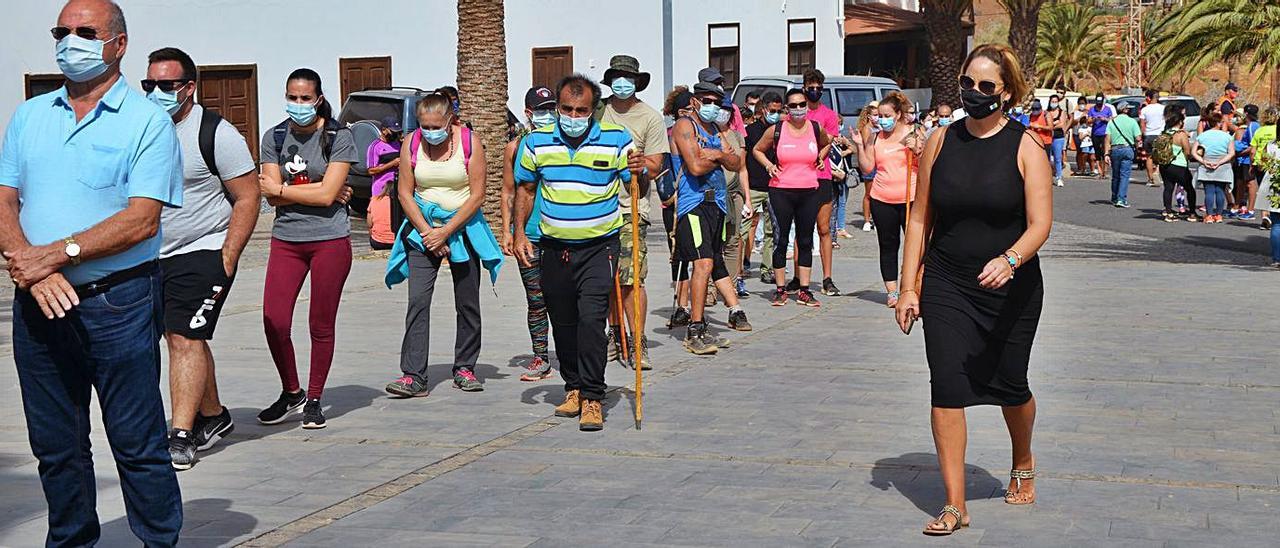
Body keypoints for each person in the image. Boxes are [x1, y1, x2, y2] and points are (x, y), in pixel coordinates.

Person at [0, 1, 183, 543]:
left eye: (85, 31)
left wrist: (54, 255)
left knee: (136, 442)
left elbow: (141, 220)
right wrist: (34, 270)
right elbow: (4, 200)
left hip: (117, 303)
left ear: (119, 45)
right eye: (62, 31)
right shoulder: (31, 114)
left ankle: (157, 539)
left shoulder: (148, 121)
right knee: (56, 446)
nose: (69, 41)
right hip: (38, 301)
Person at [896, 43, 1052, 536]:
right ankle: (955, 504)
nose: (975, 93)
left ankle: (1022, 457)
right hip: (947, 280)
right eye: (968, 83)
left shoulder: (1026, 147)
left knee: (1010, 384)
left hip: (1012, 286)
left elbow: (1040, 223)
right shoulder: (940, 141)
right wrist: (907, 287)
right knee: (946, 384)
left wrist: (1010, 259)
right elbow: (919, 217)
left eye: (987, 86)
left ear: (1005, 92)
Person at [145, 47, 259, 470]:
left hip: (203, 249)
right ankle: (213, 415)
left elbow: (248, 197)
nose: (156, 92)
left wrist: (228, 255)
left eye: (166, 85)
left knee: (183, 338)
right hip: (153, 256)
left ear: (188, 88)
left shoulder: (216, 133)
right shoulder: (142, 129)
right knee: (182, 336)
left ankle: (180, 434)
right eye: (149, 85)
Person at [513, 74, 643, 431]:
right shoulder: (536, 143)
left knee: (590, 320)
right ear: (557, 108)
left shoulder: (616, 140)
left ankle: (592, 396)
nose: (573, 116)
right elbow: (525, 189)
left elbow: (637, 183)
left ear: (593, 110)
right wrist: (519, 233)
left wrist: (639, 171)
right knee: (564, 321)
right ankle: (572, 387)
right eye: (566, 109)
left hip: (600, 245)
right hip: (554, 246)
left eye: (581, 110)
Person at [256, 68, 357, 429]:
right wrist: (312, 191)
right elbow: (268, 189)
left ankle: (314, 397)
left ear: (318, 98)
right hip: (287, 239)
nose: (297, 104)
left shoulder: (338, 136)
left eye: (304, 98)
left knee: (320, 323)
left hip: (329, 239)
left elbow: (330, 194)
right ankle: (291, 391)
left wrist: (283, 191)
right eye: (291, 97)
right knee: (274, 319)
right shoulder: (274, 136)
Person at [384, 92, 500, 397]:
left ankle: (465, 366)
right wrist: (428, 233)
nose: (430, 131)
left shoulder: (469, 142)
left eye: (436, 125)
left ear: (450, 120)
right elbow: (405, 193)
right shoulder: (411, 143)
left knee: (467, 301)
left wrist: (446, 231)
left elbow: (477, 194)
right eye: (424, 126)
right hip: (422, 229)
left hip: (462, 226)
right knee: (418, 301)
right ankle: (413, 375)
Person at [670, 79, 753, 355]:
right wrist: (719, 157)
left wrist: (715, 154)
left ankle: (704, 325)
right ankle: (695, 328)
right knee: (703, 263)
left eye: (717, 102)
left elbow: (736, 162)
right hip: (693, 205)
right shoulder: (685, 126)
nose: (713, 107)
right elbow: (694, 166)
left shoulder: (716, 129)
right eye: (707, 101)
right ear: (695, 101)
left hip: (716, 204)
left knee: (712, 260)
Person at [600, 54, 668, 371]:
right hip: (594, 208)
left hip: (630, 208)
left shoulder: (649, 118)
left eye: (628, 78)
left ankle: (637, 341)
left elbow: (656, 165)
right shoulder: (596, 111)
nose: (622, 83)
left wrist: (642, 166)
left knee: (631, 280)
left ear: (637, 82)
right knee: (604, 280)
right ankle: (616, 336)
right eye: (616, 77)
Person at [752, 88, 833, 308]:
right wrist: (769, 165)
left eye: (802, 105)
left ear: (806, 106)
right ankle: (780, 289)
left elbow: (827, 142)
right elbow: (757, 150)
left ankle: (805, 290)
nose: (798, 109)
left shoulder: (816, 128)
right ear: (787, 109)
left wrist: (820, 158)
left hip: (809, 190)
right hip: (781, 190)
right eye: (794, 106)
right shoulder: (777, 130)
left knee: (806, 240)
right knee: (781, 239)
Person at [501, 86, 557, 381]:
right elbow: (509, 191)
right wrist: (508, 230)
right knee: (536, 298)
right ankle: (540, 357)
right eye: (542, 110)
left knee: (563, 297)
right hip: (530, 236)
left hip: (561, 234)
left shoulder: (566, 142)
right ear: (528, 114)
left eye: (552, 108)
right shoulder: (516, 146)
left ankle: (572, 352)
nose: (548, 115)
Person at [852, 91, 925, 308]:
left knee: (915, 245)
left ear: (899, 114)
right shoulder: (876, 136)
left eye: (885, 115)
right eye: (878, 116)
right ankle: (892, 291)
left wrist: (918, 151)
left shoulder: (913, 133)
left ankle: (912, 287)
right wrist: (858, 144)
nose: (880, 120)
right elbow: (867, 167)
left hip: (909, 198)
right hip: (882, 198)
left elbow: (926, 164)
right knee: (888, 245)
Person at [801, 69, 844, 296]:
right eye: (811, 87)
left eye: (818, 87)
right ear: (804, 88)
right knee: (802, 229)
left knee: (824, 228)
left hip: (822, 175)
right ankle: (800, 277)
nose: (815, 91)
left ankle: (827, 278)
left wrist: (821, 155)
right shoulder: (797, 113)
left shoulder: (828, 114)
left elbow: (829, 139)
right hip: (800, 177)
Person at [661, 88, 694, 327]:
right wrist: (669, 196)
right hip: (675, 203)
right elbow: (662, 173)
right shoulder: (669, 135)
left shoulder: (699, 131)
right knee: (678, 254)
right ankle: (682, 303)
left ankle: (692, 299)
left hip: (697, 200)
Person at [715, 97, 753, 299]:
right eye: (720, 109)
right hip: (713, 195)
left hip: (734, 194)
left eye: (727, 110)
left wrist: (747, 198)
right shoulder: (708, 133)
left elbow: (742, 168)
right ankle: (710, 289)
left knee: (733, 240)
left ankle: (730, 285)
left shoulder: (738, 137)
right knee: (713, 244)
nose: (723, 113)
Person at [744, 92, 782, 285]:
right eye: (772, 110)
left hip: (774, 186)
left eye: (778, 111)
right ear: (764, 109)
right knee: (743, 229)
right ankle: (741, 265)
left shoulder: (782, 131)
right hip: (753, 186)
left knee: (771, 231)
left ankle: (767, 268)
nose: (775, 114)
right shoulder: (750, 131)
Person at [1155, 104, 1199, 223]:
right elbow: (1187, 151)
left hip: (1165, 165)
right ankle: (1192, 213)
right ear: (1180, 121)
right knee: (1189, 188)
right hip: (1179, 165)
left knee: (1168, 188)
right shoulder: (1180, 134)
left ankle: (1168, 213)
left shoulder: (1165, 133)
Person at [1193, 110, 1236, 223]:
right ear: (1218, 123)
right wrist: (1220, 162)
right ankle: (1219, 215)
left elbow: (1194, 152)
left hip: (1207, 165)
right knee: (1220, 191)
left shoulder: (1203, 136)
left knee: (1209, 191)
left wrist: (1203, 161)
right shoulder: (1227, 137)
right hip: (1223, 166)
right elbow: (1231, 153)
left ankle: (1209, 215)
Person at [1105, 102, 1140, 208]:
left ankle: (1115, 197)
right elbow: (1138, 138)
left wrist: (1106, 153)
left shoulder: (1112, 122)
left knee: (1115, 175)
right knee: (1124, 175)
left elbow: (1107, 138)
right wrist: (1137, 147)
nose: (1129, 110)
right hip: (1127, 148)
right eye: (1128, 109)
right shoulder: (1132, 122)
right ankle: (1121, 199)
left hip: (1115, 149)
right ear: (1125, 110)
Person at [1251, 107, 1278, 231]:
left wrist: (1252, 163)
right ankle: (1274, 214)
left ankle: (1264, 216)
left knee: (1264, 189)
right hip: (1275, 164)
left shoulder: (1259, 130)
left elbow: (1253, 150)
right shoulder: (1276, 130)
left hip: (1261, 163)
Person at [1232, 104, 1261, 220]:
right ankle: (1236, 207)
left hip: (1247, 159)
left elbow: (1253, 145)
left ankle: (1250, 210)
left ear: (1246, 114)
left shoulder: (1253, 126)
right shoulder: (1249, 125)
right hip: (1242, 160)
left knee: (1251, 183)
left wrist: (1241, 152)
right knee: (1240, 183)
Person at [1139, 90, 1165, 188]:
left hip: (1149, 135)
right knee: (1161, 157)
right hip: (1160, 135)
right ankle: (1158, 174)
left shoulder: (1145, 109)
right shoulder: (1163, 108)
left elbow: (1142, 124)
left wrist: (1143, 135)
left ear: (1149, 98)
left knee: (1149, 157)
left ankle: (1150, 179)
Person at [1044, 95, 1069, 186]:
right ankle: (1048, 177)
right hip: (1047, 137)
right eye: (1052, 101)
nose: (1054, 103)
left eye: (1055, 101)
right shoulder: (1046, 112)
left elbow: (1062, 124)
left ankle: (1059, 177)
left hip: (1058, 137)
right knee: (1047, 159)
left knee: (1057, 158)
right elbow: (1045, 123)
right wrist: (1054, 123)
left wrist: (1051, 126)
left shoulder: (1062, 112)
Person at [1088, 93, 1115, 178]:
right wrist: (1094, 119)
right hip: (1095, 133)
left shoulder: (1108, 109)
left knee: (1105, 152)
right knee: (1097, 153)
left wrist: (1105, 119)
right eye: (1097, 103)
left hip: (1105, 134)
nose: (1099, 105)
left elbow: (1112, 120)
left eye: (1100, 103)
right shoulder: (1092, 109)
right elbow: (1088, 121)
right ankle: (1100, 171)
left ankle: (1105, 171)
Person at [1072, 101, 1096, 176]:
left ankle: (1092, 169)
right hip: (1084, 144)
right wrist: (1085, 134)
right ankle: (1083, 169)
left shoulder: (1091, 128)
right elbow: (1080, 137)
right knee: (1084, 155)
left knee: (1092, 157)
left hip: (1091, 144)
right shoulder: (1081, 128)